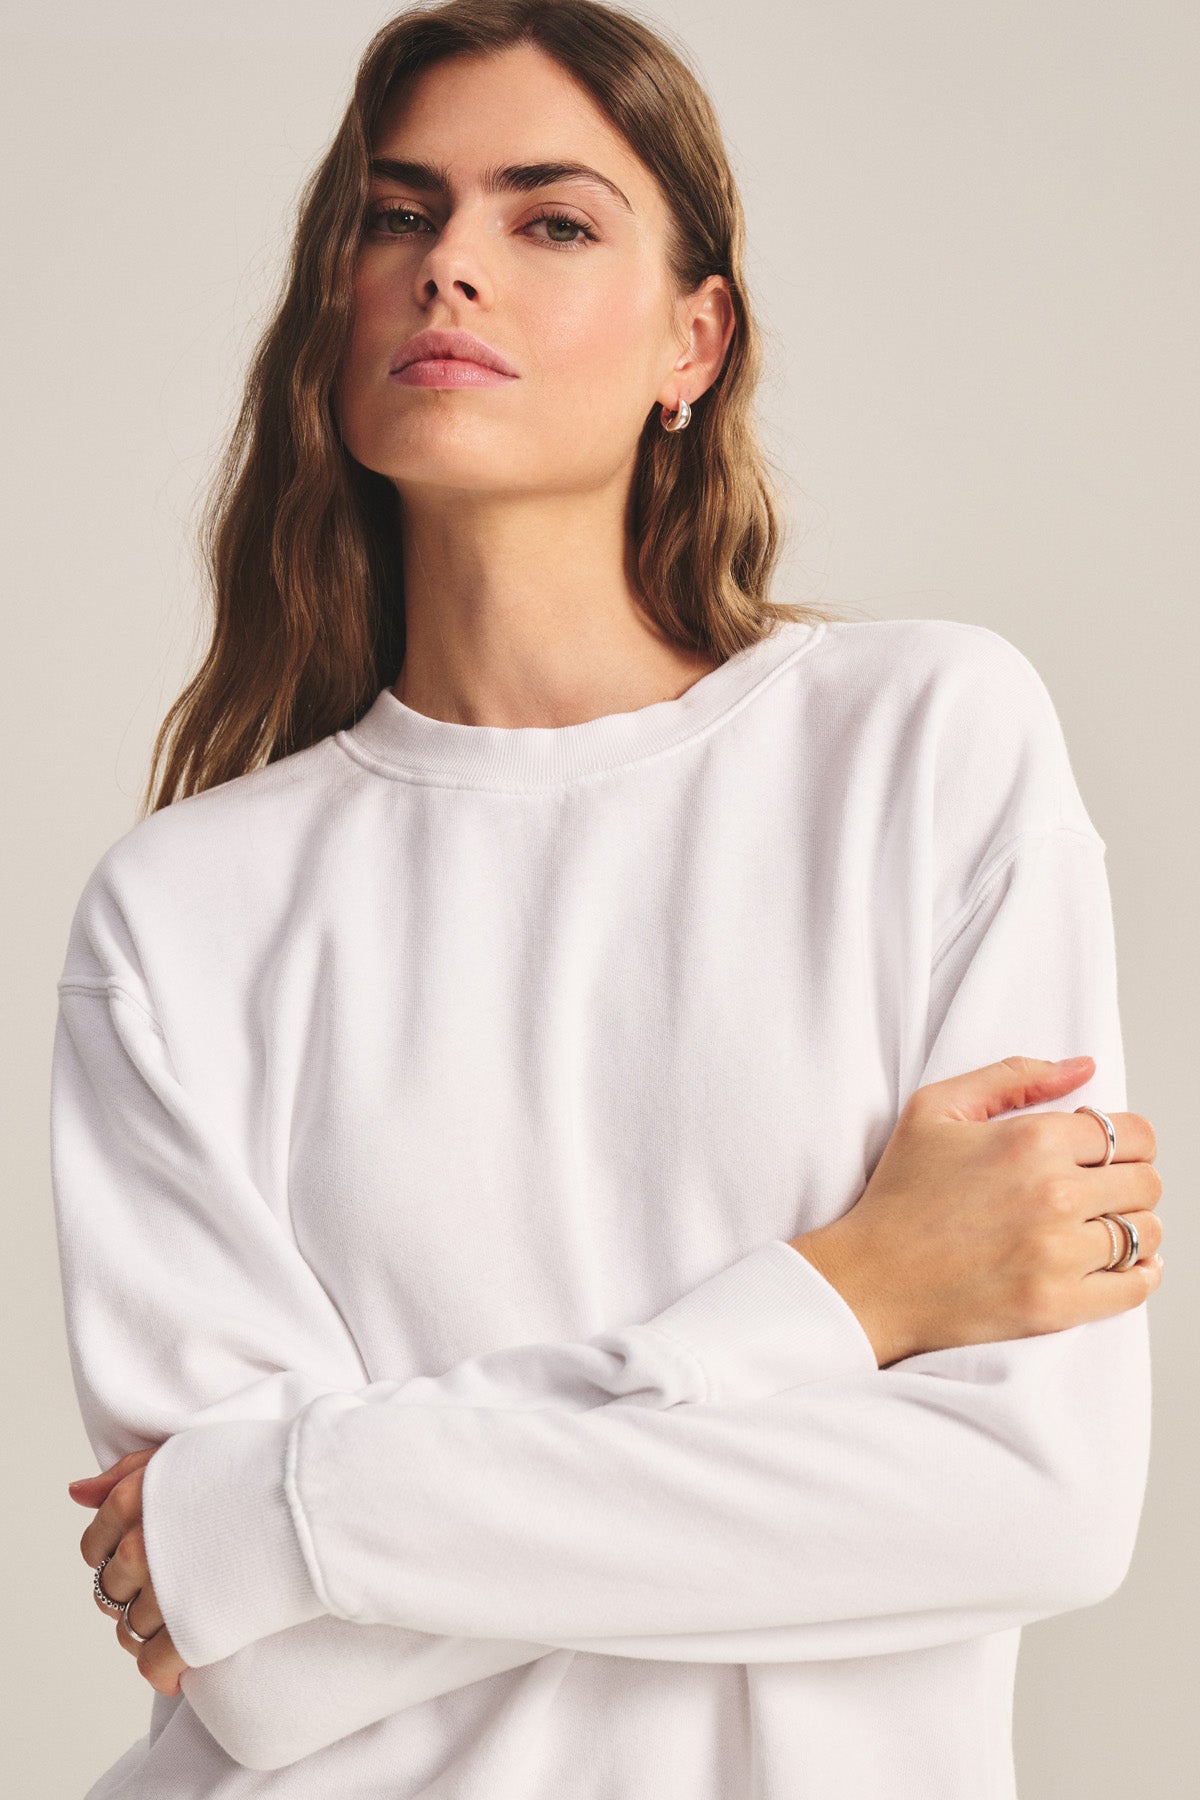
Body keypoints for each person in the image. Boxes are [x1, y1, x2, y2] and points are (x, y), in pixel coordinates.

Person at [51, 3, 1163, 1796]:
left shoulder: (922, 746)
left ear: (693, 336)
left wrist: (292, 1511)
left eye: (548, 219)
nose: (451, 270)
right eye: (396, 215)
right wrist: (841, 1301)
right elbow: (251, 1676)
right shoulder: (182, 918)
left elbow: (1031, 1501)